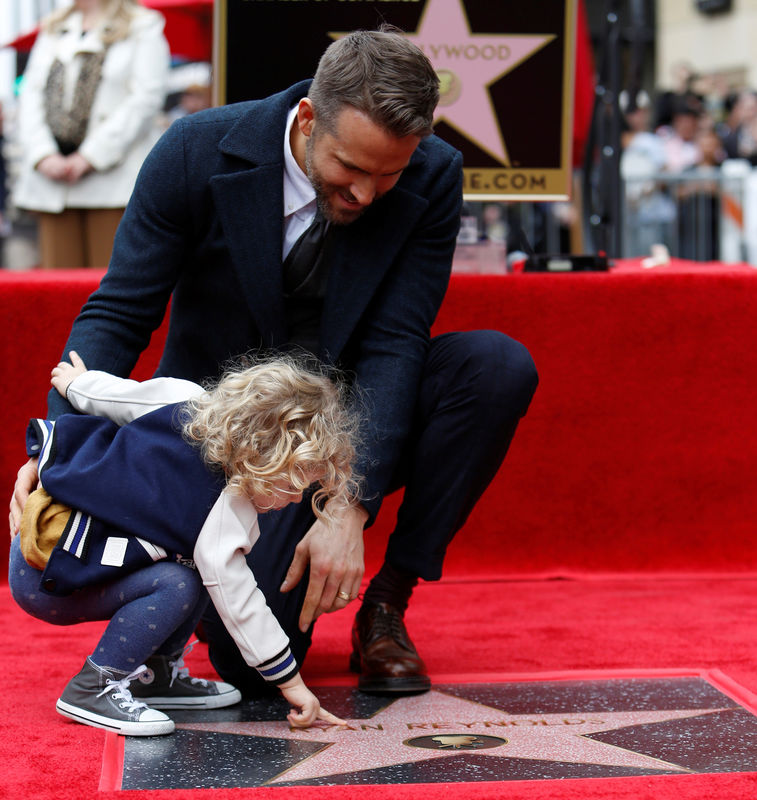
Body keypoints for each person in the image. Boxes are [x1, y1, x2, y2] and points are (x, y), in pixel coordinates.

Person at [9, 28, 538, 697]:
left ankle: (388, 603)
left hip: (347, 416)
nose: (368, 194)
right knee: (248, 666)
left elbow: (395, 341)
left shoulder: (432, 174)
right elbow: (118, 314)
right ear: (309, 119)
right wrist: (61, 456)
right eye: (352, 168)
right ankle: (200, 583)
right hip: (227, 438)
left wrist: (350, 504)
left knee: (493, 367)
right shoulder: (194, 151)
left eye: (390, 173)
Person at [10, 351, 356, 735]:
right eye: (293, 485)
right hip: (51, 577)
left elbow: (118, 396)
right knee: (183, 582)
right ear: (264, 455)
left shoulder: (187, 400)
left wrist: (77, 383)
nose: (295, 500)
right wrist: (292, 684)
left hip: (48, 534)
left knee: (194, 565)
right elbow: (240, 602)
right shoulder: (227, 509)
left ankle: (156, 674)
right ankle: (93, 686)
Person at [12, 0, 169, 268]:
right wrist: (43, 154)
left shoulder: (143, 25)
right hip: (53, 183)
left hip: (112, 182)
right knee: (57, 289)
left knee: (110, 282)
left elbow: (146, 98)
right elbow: (30, 95)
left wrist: (90, 156)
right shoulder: (54, 27)